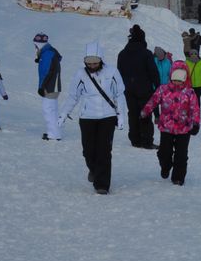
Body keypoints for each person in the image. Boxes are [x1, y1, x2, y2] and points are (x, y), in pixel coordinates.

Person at [57, 41, 128, 195]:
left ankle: (102, 185)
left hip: (107, 117)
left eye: (95, 63)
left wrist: (121, 115)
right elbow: (73, 96)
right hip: (87, 117)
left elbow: (119, 95)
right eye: (89, 63)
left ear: (101, 60)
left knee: (104, 150)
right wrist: (63, 114)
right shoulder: (81, 74)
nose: (92, 66)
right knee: (88, 150)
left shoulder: (112, 72)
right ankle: (94, 169)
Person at [141, 60, 200, 186]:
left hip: (184, 129)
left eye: (180, 80)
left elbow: (194, 109)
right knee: (164, 152)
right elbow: (153, 101)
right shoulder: (163, 90)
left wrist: (195, 123)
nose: (177, 83)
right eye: (175, 80)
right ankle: (165, 165)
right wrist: (144, 113)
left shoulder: (189, 92)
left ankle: (178, 177)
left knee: (181, 154)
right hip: (167, 127)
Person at [117, 25, 159, 149]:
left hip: (129, 89)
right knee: (145, 113)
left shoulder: (122, 54)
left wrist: (126, 85)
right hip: (145, 89)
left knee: (133, 113)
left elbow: (119, 73)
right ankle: (146, 141)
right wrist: (158, 86)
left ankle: (135, 139)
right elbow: (153, 72)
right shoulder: (146, 54)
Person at [34, 33, 63, 141]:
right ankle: (56, 133)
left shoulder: (47, 54)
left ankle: (53, 135)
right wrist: (40, 58)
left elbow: (46, 72)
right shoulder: (49, 52)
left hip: (50, 86)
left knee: (48, 110)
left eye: (36, 45)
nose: (35, 47)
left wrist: (41, 87)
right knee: (53, 110)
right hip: (53, 86)